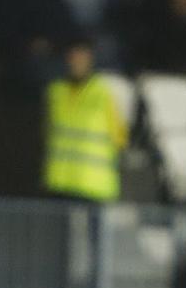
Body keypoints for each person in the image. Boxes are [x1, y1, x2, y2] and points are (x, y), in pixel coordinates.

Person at [43, 39, 127, 203]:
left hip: (94, 185)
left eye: (81, 58)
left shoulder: (104, 93)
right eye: (73, 58)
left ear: (90, 60)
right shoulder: (55, 92)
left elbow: (120, 138)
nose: (76, 63)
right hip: (60, 182)